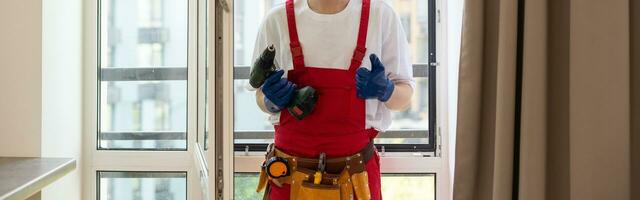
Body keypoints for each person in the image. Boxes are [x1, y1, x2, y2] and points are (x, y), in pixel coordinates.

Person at [252, 0, 414, 199]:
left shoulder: (380, 16)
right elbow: (259, 94)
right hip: (287, 177)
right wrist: (270, 100)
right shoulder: (276, 20)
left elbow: (405, 96)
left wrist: (387, 90)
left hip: (356, 179)